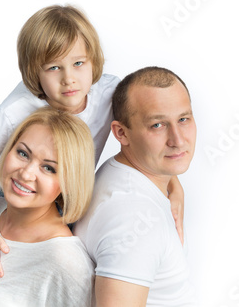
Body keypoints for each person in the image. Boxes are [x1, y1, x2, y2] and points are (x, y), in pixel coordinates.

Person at [0, 4, 185, 284]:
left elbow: (144, 131)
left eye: (78, 63)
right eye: (53, 68)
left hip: (70, 193)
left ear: (93, 61)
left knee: (70, 269)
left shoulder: (109, 93)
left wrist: (173, 184)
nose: (69, 79)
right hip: (25, 195)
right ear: (34, 73)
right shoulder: (14, 111)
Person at [74, 66, 198, 306]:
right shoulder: (134, 218)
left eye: (183, 119)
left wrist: (174, 184)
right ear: (121, 133)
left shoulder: (124, 173)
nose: (179, 140)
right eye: (157, 125)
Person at [0, 107, 96, 306]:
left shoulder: (65, 261)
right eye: (23, 153)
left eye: (48, 168)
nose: (26, 174)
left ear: (69, 184)